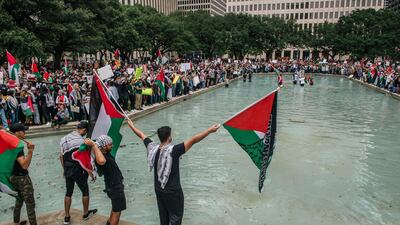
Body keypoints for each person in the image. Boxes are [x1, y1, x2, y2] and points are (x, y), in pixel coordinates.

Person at [127, 120, 220, 225]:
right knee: (175, 218)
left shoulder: (153, 148)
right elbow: (193, 140)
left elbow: (141, 135)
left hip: (159, 189)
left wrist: (131, 125)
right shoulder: (174, 150)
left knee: (164, 218)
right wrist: (209, 130)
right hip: (173, 192)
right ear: (169, 137)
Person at [59, 121, 97, 225]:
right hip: (79, 169)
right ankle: (85, 214)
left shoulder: (64, 139)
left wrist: (64, 169)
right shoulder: (82, 141)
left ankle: (66, 217)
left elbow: (61, 156)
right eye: (86, 131)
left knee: (68, 192)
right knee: (85, 191)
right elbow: (84, 159)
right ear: (84, 130)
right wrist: (90, 172)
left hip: (67, 168)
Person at [84, 135, 126, 225]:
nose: (112, 146)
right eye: (110, 144)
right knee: (117, 212)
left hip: (113, 185)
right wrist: (94, 145)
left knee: (115, 208)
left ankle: (109, 222)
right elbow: (102, 161)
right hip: (115, 187)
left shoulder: (105, 152)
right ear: (104, 146)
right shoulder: (100, 157)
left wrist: (94, 144)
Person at [9, 123, 37, 225]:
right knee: (30, 204)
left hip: (12, 177)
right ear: (17, 133)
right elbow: (24, 165)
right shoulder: (17, 146)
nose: (25, 132)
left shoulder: (8, 143)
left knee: (19, 200)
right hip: (22, 178)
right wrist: (30, 151)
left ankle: (16, 222)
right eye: (23, 130)